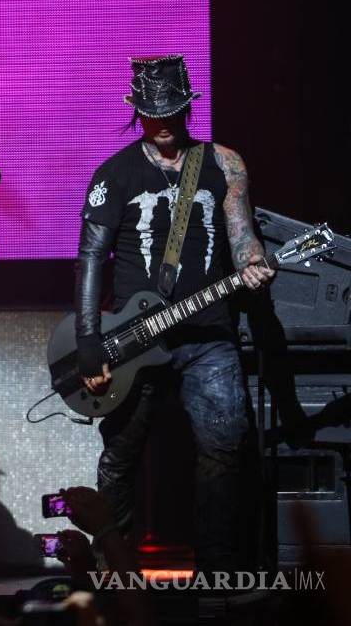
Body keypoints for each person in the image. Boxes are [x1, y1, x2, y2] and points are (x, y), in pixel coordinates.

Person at [74, 54, 274, 573]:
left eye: (170, 112)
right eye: (151, 113)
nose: (161, 123)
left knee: (225, 446)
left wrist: (252, 262)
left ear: (187, 107)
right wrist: (90, 341)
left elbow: (241, 232)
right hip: (135, 338)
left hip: (207, 334)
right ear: (137, 111)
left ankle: (218, 576)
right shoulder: (115, 173)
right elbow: (91, 257)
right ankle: (115, 573)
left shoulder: (223, 163)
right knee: (121, 456)